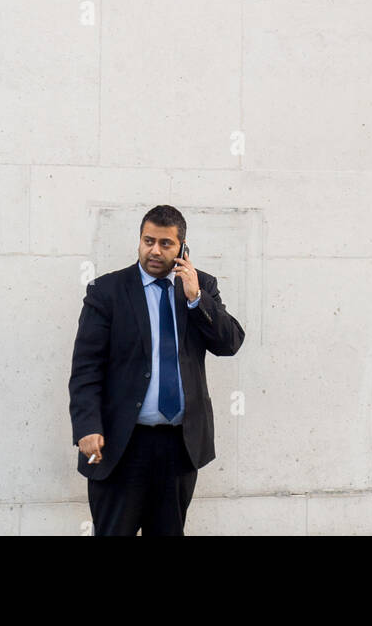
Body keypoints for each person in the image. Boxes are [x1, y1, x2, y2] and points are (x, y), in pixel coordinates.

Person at [68, 203, 245, 536]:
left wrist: (196, 299)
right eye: (148, 241)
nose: (155, 250)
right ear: (139, 241)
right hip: (121, 444)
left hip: (178, 447)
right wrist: (87, 426)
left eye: (165, 243)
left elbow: (230, 343)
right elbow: (86, 368)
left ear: (182, 249)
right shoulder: (107, 292)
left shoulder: (200, 286)